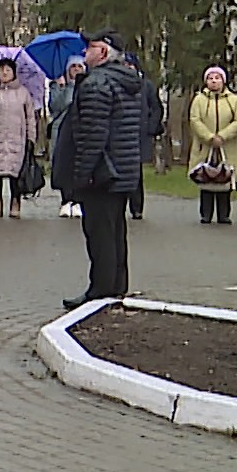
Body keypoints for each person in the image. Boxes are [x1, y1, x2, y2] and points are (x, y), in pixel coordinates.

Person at [61, 31, 146, 309]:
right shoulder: (129, 81)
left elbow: (92, 134)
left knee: (100, 234)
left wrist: (82, 174)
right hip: (123, 167)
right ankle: (116, 287)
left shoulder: (97, 83)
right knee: (115, 231)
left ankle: (101, 292)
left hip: (102, 172)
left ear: (105, 53)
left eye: (91, 48)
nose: (85, 53)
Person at [188, 65, 237, 225]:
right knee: (206, 179)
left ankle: (224, 214)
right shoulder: (199, 99)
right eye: (210, 78)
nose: (214, 81)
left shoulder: (233, 99)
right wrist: (209, 137)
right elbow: (194, 119)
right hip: (205, 145)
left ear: (223, 81)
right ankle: (206, 213)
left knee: (224, 179)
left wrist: (223, 136)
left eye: (217, 78)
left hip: (227, 145)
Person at [0, 58, 39, 219]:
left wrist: (31, 138)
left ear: (14, 72)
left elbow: (30, 117)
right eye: (1, 70)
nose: (4, 73)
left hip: (17, 138)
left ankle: (15, 202)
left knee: (15, 173)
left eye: (8, 70)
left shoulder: (23, 93)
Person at [124, 53, 164, 220]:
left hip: (139, 133)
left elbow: (156, 108)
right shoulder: (116, 84)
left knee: (136, 173)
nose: (127, 68)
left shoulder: (147, 86)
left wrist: (150, 127)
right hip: (122, 133)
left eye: (130, 65)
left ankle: (137, 208)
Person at [48, 59, 85, 217]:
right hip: (61, 129)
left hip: (80, 129)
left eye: (79, 66)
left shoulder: (87, 85)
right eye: (73, 66)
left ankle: (78, 200)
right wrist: (65, 86)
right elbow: (56, 106)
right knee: (63, 164)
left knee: (78, 165)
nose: (76, 69)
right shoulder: (59, 85)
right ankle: (65, 200)